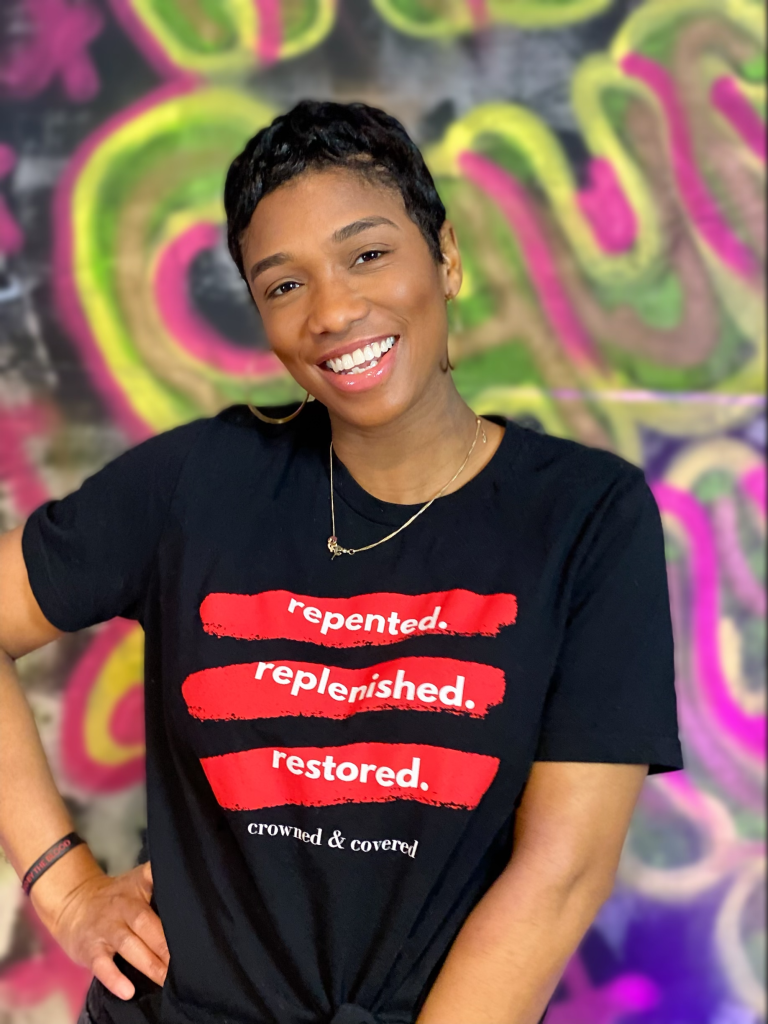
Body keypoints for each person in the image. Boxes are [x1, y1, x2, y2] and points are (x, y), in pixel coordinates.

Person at [0, 100, 683, 1024]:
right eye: (285, 284)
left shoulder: (584, 517)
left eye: (367, 255)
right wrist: (63, 886)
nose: (332, 312)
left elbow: (558, 876)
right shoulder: (199, 481)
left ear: (445, 256)